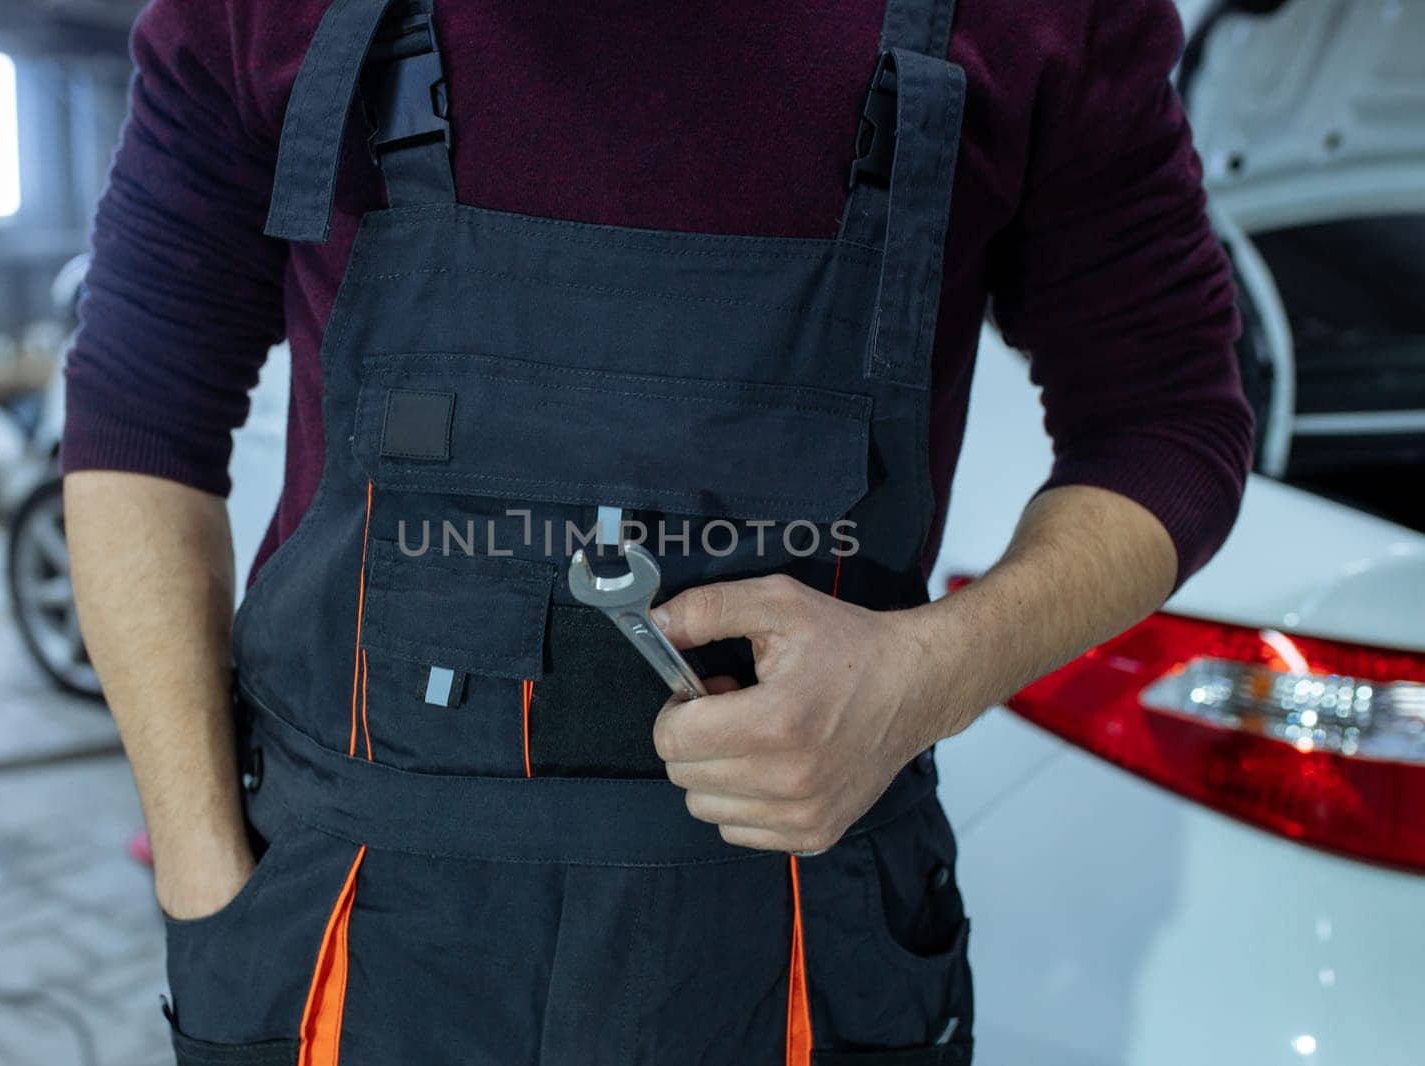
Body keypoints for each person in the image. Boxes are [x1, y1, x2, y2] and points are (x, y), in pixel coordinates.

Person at [62, 1, 1254, 1063]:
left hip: (798, 959)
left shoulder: (1046, 18)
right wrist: (202, 876)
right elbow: (136, 419)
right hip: (341, 949)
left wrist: (927, 672)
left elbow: (1169, 424)